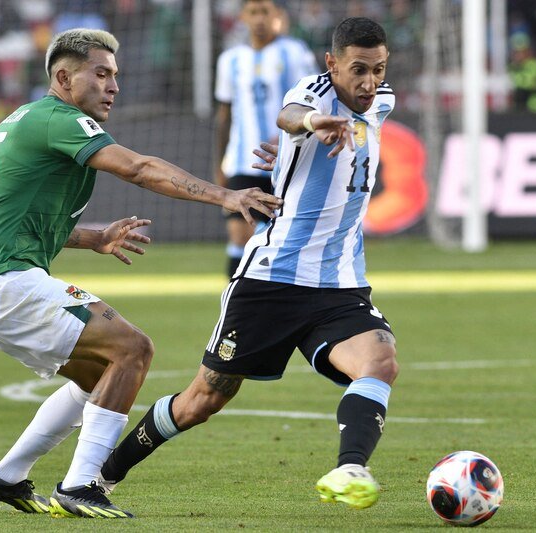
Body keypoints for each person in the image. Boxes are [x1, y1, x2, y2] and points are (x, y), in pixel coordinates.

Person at [0, 28, 281, 519]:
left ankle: (6, 477)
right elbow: (137, 167)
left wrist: (94, 238)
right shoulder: (59, 120)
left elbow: (15, 217)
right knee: (133, 349)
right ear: (64, 77)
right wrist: (226, 195)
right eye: (101, 73)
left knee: (97, 375)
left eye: (116, 76)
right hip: (8, 283)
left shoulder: (27, 119)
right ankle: (80, 485)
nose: (113, 86)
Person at [100, 17, 399, 511]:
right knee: (204, 400)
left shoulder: (382, 100)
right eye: (358, 70)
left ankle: (351, 467)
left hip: (340, 284)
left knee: (380, 362)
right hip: (271, 281)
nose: (368, 83)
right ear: (332, 64)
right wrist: (309, 126)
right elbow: (289, 114)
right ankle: (103, 475)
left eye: (378, 69)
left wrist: (286, 160)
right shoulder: (315, 92)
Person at [215, 0, 317, 277]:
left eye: (265, 12)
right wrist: (219, 165)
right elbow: (224, 115)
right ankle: (237, 299)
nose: (259, 19)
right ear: (243, 17)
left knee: (287, 238)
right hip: (242, 160)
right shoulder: (230, 60)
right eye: (253, 12)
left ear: (278, 16)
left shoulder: (295, 53)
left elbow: (314, 101)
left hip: (287, 160)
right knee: (239, 234)